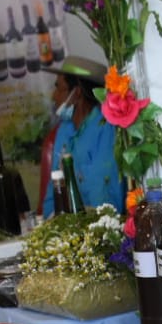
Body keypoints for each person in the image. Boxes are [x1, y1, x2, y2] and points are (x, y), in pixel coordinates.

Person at [39, 57, 124, 218]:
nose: (54, 96)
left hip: (101, 223)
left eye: (59, 89)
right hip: (69, 225)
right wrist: (49, 221)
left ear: (76, 93)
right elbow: (54, 186)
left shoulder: (105, 128)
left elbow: (102, 190)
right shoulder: (64, 130)